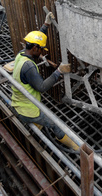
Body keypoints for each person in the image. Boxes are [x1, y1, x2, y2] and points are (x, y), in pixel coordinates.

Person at [11, 12, 79, 151]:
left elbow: (37, 40)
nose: (42, 53)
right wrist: (58, 71)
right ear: (35, 48)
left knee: (43, 120)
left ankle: (37, 127)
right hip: (28, 111)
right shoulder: (29, 67)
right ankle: (75, 147)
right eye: (41, 49)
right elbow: (41, 87)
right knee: (55, 123)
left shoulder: (21, 55)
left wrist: (46, 25)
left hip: (18, 103)